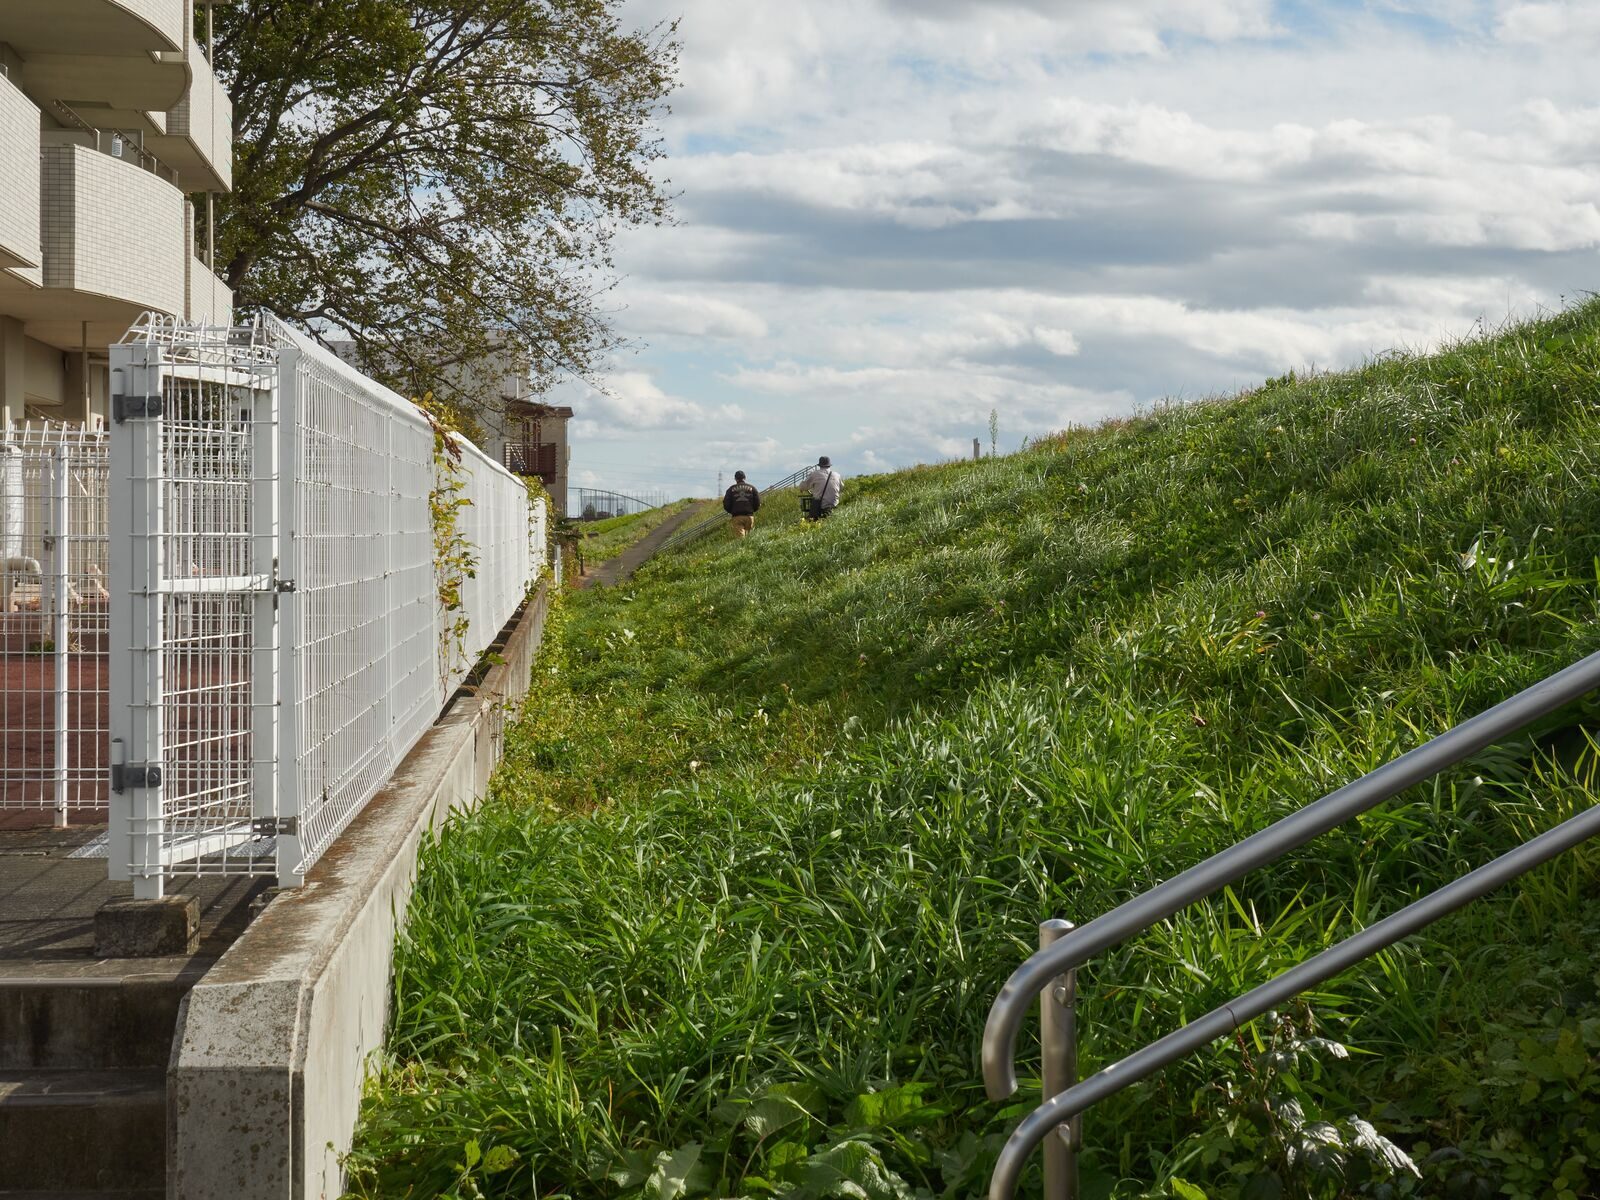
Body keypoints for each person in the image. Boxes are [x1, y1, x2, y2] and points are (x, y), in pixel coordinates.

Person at [722, 469, 761, 537]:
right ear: (745, 478)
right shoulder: (752, 488)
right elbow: (757, 502)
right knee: (748, 537)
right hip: (749, 517)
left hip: (737, 517)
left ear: (735, 479)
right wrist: (752, 510)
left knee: (740, 538)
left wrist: (731, 511)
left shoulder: (730, 489)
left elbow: (726, 503)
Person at [806, 455, 842, 520]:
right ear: (829, 465)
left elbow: (803, 486)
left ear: (820, 465)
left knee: (811, 518)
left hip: (821, 505)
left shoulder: (815, 474)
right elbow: (841, 487)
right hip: (834, 504)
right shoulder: (837, 475)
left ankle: (813, 520)